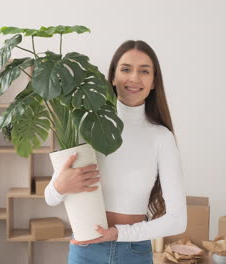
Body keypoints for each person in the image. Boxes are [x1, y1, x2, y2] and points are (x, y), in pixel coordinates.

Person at [44, 40, 187, 264]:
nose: (134, 78)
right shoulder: (85, 126)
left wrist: (120, 233)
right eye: (126, 69)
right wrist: (59, 186)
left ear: (153, 82)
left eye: (144, 71)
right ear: (112, 76)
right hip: (85, 250)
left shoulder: (161, 138)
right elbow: (50, 197)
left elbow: (178, 220)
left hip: (134, 252)